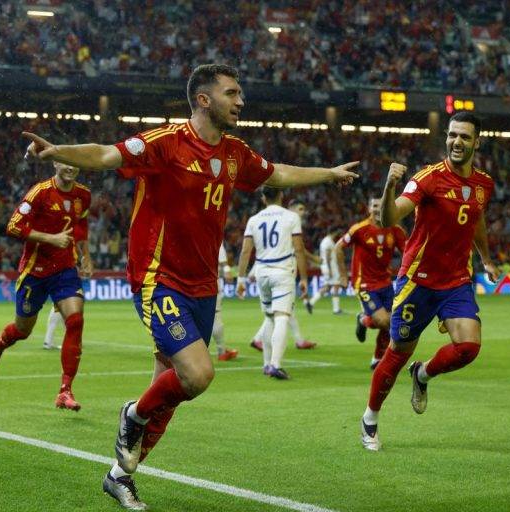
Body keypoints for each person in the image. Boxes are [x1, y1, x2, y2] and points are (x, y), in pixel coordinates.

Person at [21, 63, 357, 510]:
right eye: (232, 93)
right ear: (204, 99)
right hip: (158, 279)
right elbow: (105, 155)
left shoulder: (236, 152)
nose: (241, 101)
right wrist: (57, 149)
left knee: (171, 391)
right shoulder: (166, 143)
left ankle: (120, 476)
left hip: (203, 285)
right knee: (197, 374)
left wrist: (329, 173)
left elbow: (277, 174)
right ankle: (132, 415)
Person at [360, 112, 499, 452]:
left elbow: (476, 220)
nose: (457, 142)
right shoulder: (428, 179)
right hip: (417, 283)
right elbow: (389, 217)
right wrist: (390, 184)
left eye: (465, 137)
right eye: (452, 135)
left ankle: (423, 375)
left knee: (468, 347)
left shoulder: (484, 184)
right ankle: (370, 419)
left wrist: (487, 258)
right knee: (397, 353)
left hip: (455, 281)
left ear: (476, 142)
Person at [0, 162, 93, 413]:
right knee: (23, 330)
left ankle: (65, 391)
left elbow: (81, 226)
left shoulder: (83, 194)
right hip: (35, 271)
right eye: (65, 161)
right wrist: (50, 238)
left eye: (75, 162)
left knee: (75, 320)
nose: (71, 167)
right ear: (55, 163)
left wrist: (85, 256)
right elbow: (13, 226)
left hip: (65, 269)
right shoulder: (40, 192)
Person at [236, 187, 308, 379]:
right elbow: (299, 250)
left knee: (269, 317)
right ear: (282, 195)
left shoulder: (254, 220)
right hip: (282, 272)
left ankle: (267, 363)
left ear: (263, 198)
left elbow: (245, 252)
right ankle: (275, 364)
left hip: (262, 273)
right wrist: (304, 279)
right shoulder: (291, 218)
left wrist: (241, 279)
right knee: (282, 317)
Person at [337, 197, 406, 370]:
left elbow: (408, 254)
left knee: (392, 322)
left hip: (385, 282)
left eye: (381, 205)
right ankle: (364, 319)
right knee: (384, 321)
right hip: (364, 283)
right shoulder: (359, 229)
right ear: (369, 208)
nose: (377, 209)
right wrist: (343, 275)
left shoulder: (396, 230)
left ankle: (377, 358)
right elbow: (338, 247)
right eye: (374, 205)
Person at [249, 198, 317, 351]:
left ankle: (299, 340)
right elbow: (272, 250)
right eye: (300, 209)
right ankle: (259, 339)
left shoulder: (287, 221)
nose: (303, 212)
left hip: (283, 268)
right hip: (283, 270)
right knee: (282, 309)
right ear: (291, 209)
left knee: (285, 308)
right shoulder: (288, 222)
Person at [306, 227, 343, 314]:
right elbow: (327, 256)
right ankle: (336, 309)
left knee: (327, 287)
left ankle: (310, 303)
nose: (337, 235)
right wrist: (330, 269)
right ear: (334, 232)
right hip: (330, 267)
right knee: (336, 285)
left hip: (325, 266)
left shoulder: (324, 241)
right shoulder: (328, 242)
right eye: (337, 233)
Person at [212, 243, 239, 361]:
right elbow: (223, 262)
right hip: (210, 281)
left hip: (186, 282)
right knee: (215, 316)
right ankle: (221, 351)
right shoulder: (213, 231)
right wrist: (228, 271)